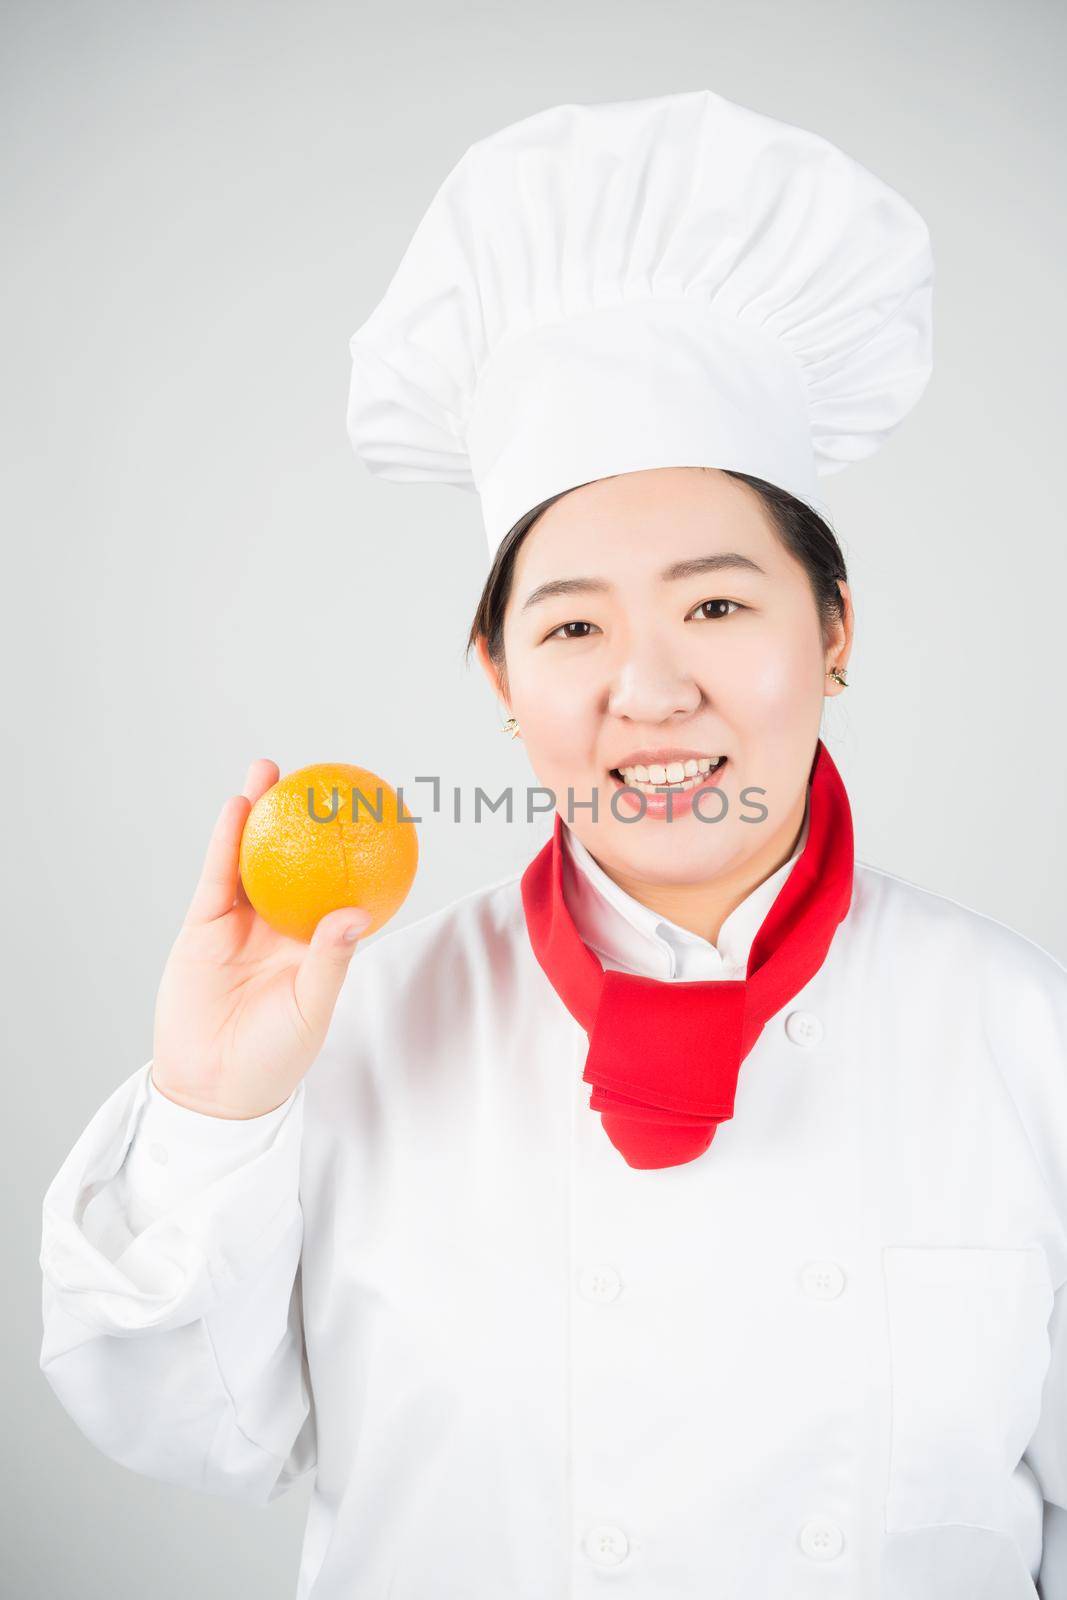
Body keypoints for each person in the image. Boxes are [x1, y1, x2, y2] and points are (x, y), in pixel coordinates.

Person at [39, 90, 1067, 1599]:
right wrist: (210, 1107)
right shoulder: (356, 1032)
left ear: (834, 630)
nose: (650, 691)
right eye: (573, 624)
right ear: (501, 683)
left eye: (718, 604)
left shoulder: (1021, 1037)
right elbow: (184, 1433)